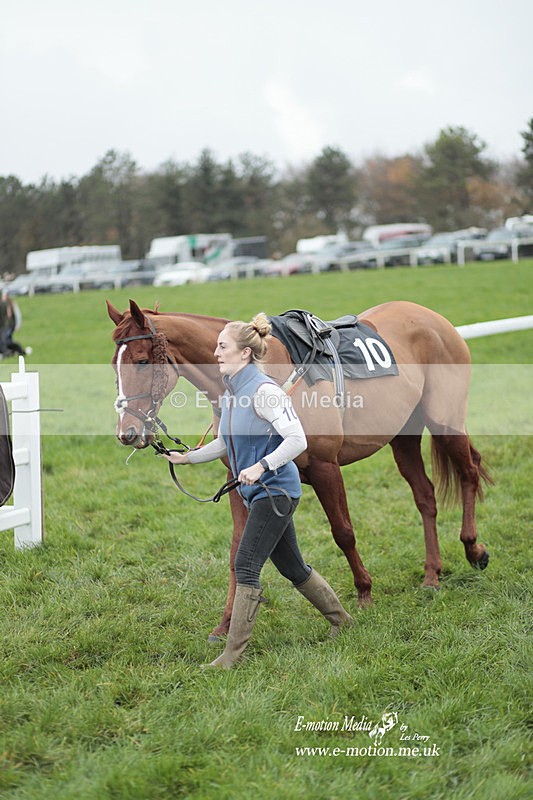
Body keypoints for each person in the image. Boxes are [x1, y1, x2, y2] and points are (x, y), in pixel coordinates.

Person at [164, 312, 353, 668]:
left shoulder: (265, 392)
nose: (215, 352)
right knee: (293, 567)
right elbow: (225, 442)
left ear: (245, 354)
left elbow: (296, 439)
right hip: (262, 493)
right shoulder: (233, 392)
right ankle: (342, 620)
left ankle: (231, 655)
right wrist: (188, 458)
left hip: (276, 493)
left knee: (246, 565)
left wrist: (261, 466)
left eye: (223, 346)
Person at [1, 292, 31, 357]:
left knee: (6, 341)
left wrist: (18, 324)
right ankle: (12, 352)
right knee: (6, 340)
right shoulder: (2, 304)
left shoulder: (11, 304)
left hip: (9, 326)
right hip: (4, 326)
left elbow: (17, 315)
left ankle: (17, 350)